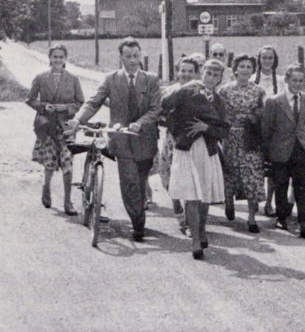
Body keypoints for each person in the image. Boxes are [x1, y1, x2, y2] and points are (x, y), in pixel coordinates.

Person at [66, 37, 161, 242]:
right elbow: (93, 102)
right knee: (129, 184)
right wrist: (77, 120)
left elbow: (155, 109)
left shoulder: (151, 79)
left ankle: (139, 214)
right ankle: (138, 225)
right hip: (122, 141)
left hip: (145, 141)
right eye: (128, 56)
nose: (133, 60)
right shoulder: (111, 79)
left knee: (141, 182)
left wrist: (141, 123)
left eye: (136, 55)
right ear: (121, 57)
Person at [162, 59, 228, 259]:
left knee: (204, 195)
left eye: (216, 75)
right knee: (191, 194)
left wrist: (206, 128)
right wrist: (179, 133)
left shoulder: (218, 101)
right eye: (208, 72)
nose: (211, 77)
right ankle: (195, 241)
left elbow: (224, 129)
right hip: (186, 149)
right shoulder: (187, 91)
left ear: (220, 79)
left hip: (207, 151)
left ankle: (201, 229)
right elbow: (165, 106)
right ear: (202, 73)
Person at [27, 44, 84, 216]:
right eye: (55, 57)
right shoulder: (41, 78)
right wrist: (44, 106)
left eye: (61, 57)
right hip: (47, 126)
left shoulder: (73, 79)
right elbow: (29, 99)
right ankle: (46, 187)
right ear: (50, 58)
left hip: (66, 127)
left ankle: (68, 202)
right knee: (50, 162)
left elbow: (80, 102)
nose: (58, 60)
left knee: (67, 163)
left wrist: (65, 108)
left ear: (65, 59)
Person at [262, 64, 305, 238]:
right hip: (280, 148)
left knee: (302, 185)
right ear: (286, 80)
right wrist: (268, 153)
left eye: (301, 80)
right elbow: (267, 128)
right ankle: (282, 217)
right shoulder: (274, 101)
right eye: (294, 80)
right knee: (281, 184)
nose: (298, 84)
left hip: (300, 147)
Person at [218, 54, 267, 234]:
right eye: (242, 66)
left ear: (253, 70)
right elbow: (219, 114)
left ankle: (252, 217)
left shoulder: (259, 91)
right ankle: (228, 201)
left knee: (252, 175)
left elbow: (263, 115)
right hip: (230, 138)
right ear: (235, 69)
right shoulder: (224, 90)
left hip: (250, 138)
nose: (245, 70)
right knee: (230, 172)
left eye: (249, 67)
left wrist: (251, 118)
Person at [159, 56, 201, 236]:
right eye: (183, 70)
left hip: (193, 141)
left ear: (196, 73)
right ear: (177, 72)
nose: (186, 74)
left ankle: (192, 223)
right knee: (169, 178)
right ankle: (178, 211)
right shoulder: (169, 90)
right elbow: (162, 109)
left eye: (190, 71)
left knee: (191, 181)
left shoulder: (199, 91)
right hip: (172, 140)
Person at [251, 45, 285, 217]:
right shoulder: (251, 79)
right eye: (264, 58)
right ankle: (255, 199)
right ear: (259, 60)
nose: (267, 61)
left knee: (272, 167)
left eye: (270, 58)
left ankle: (269, 202)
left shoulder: (280, 81)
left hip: (274, 129)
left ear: (275, 60)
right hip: (256, 128)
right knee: (256, 165)